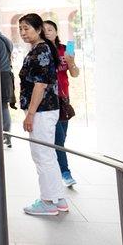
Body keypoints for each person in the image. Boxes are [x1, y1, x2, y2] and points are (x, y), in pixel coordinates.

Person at [17, 13, 67, 216]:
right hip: (44, 110)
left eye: (27, 28)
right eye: (20, 28)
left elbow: (40, 84)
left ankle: (48, 201)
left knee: (42, 155)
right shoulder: (40, 49)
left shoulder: (41, 51)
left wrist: (30, 114)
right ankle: (58, 198)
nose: (23, 32)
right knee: (47, 155)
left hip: (42, 111)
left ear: (38, 30)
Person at [43, 20, 80, 187]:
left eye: (50, 29)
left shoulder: (65, 49)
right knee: (59, 140)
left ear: (56, 32)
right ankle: (65, 173)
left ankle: (57, 170)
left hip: (64, 99)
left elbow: (75, 73)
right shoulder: (41, 52)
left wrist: (70, 61)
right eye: (44, 30)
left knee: (62, 138)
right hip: (49, 101)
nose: (47, 32)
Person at [0, 24, 16, 148]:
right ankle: (6, 136)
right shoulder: (5, 39)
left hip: (0, 75)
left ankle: (5, 136)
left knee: (3, 106)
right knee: (3, 106)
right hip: (7, 74)